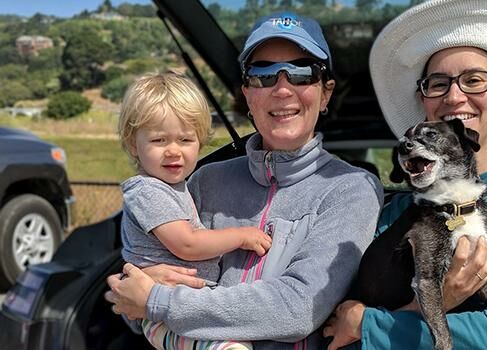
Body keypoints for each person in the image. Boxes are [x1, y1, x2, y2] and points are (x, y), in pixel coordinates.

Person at [106, 12, 384, 349]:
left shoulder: (351, 189)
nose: (282, 89)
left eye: (301, 73)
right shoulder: (203, 181)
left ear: (325, 94)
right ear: (247, 95)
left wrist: (159, 301)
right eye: (263, 75)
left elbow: (297, 309)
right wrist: (135, 285)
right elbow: (133, 300)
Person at [324, 0, 487, 348]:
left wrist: (366, 324)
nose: (454, 96)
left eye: (474, 80)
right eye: (437, 84)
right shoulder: (392, 212)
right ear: (424, 100)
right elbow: (334, 331)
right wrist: (434, 302)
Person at [118, 72, 274, 349]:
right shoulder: (148, 191)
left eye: (185, 140)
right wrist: (241, 236)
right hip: (162, 313)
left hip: (181, 304)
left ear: (200, 142)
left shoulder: (175, 186)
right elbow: (187, 244)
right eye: (159, 141)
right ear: (133, 144)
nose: (173, 151)